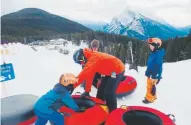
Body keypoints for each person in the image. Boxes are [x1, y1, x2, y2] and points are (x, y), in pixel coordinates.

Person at [72, 48, 125, 112]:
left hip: (117, 70)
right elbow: (89, 75)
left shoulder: (93, 59)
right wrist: (87, 91)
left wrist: (70, 87)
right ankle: (101, 110)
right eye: (80, 63)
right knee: (100, 90)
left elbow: (82, 76)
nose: (82, 63)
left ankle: (113, 112)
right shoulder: (89, 58)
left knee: (109, 92)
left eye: (81, 61)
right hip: (109, 71)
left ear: (82, 56)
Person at [142, 38, 165, 104]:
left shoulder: (157, 55)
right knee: (152, 87)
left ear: (157, 46)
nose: (150, 47)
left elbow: (157, 66)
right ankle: (153, 97)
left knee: (150, 87)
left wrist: (154, 76)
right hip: (151, 74)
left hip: (153, 75)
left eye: (152, 46)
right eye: (150, 45)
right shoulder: (155, 53)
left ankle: (149, 99)